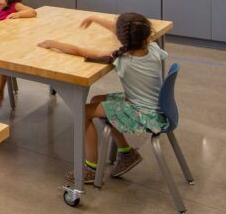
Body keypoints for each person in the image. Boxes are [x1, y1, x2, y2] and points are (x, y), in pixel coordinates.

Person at [38, 12, 168, 184]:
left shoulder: (123, 58)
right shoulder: (152, 47)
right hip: (156, 106)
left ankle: (91, 168)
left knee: (83, 113)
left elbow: (79, 51)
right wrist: (95, 18)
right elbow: (123, 31)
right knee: (96, 100)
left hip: (142, 113)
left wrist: (53, 43)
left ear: (122, 38)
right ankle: (126, 152)